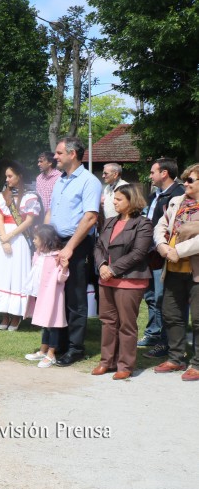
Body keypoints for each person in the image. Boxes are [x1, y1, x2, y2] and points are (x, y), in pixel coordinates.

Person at [45, 137, 102, 366]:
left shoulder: (89, 181)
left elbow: (90, 218)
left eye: (59, 153)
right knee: (56, 295)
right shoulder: (61, 180)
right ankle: (58, 343)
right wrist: (46, 238)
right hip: (56, 242)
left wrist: (69, 247)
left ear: (72, 154)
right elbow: (52, 210)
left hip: (77, 245)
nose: (55, 157)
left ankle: (76, 348)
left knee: (76, 297)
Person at [92, 184, 152, 380]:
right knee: (108, 322)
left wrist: (113, 269)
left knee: (126, 324)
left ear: (131, 201)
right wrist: (102, 265)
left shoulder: (143, 223)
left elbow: (139, 253)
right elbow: (99, 246)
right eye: (114, 198)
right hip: (106, 279)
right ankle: (106, 361)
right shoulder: (109, 222)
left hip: (129, 280)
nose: (114, 202)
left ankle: (125, 364)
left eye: (119, 199)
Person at [151, 163, 199, 381]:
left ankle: (197, 363)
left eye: (190, 180)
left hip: (194, 270)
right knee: (171, 314)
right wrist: (162, 246)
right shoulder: (176, 201)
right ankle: (176, 358)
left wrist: (177, 251)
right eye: (185, 179)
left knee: (198, 319)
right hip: (173, 267)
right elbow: (161, 226)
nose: (185, 183)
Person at [0, 161, 41, 330]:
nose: (7, 179)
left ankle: (16, 315)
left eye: (10, 176)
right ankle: (4, 314)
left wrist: (10, 236)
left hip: (19, 238)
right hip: (3, 237)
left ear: (19, 176)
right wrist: (3, 238)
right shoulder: (1, 196)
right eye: (6, 176)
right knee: (2, 274)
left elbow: (29, 221)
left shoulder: (30, 196)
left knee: (16, 275)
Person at [139, 158, 184, 357]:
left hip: (166, 254)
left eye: (152, 172)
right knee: (150, 296)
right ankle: (154, 333)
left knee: (163, 298)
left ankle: (166, 343)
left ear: (164, 173)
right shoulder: (154, 195)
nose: (150, 176)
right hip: (150, 253)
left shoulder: (179, 194)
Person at [23, 224, 68, 368]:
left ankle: (51, 354)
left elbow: (61, 278)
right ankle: (43, 350)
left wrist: (65, 267)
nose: (34, 241)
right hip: (40, 294)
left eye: (36, 238)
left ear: (45, 239)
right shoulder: (38, 254)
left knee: (52, 325)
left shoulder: (57, 257)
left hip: (53, 297)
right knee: (45, 323)